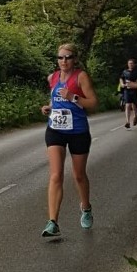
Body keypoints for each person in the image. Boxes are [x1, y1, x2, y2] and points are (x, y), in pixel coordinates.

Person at [40, 44, 98, 238]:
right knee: (56, 175)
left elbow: (93, 102)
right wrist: (49, 108)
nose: (64, 61)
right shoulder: (53, 77)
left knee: (78, 175)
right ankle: (52, 222)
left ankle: (86, 208)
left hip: (77, 131)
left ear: (75, 59)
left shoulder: (81, 77)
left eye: (68, 57)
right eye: (60, 57)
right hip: (55, 130)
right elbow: (55, 99)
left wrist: (73, 97)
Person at [119, 58, 137, 128]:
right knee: (127, 105)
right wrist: (122, 84)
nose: (131, 64)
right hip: (127, 90)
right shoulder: (125, 72)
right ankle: (127, 121)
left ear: (134, 64)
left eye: (132, 63)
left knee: (134, 105)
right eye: (129, 63)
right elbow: (121, 78)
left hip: (135, 90)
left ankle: (135, 116)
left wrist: (135, 84)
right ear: (127, 64)